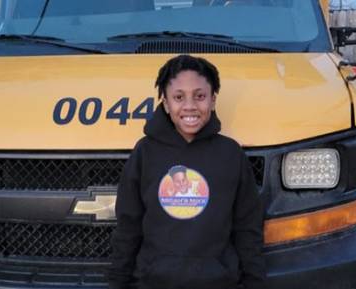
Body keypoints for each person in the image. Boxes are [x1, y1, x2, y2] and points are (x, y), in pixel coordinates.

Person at [108, 55, 265, 289]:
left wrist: (255, 282)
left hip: (218, 281)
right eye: (179, 97)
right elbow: (128, 225)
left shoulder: (231, 154)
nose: (190, 106)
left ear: (212, 100)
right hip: (153, 281)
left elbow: (247, 228)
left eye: (199, 96)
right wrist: (117, 282)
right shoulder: (145, 152)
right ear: (166, 102)